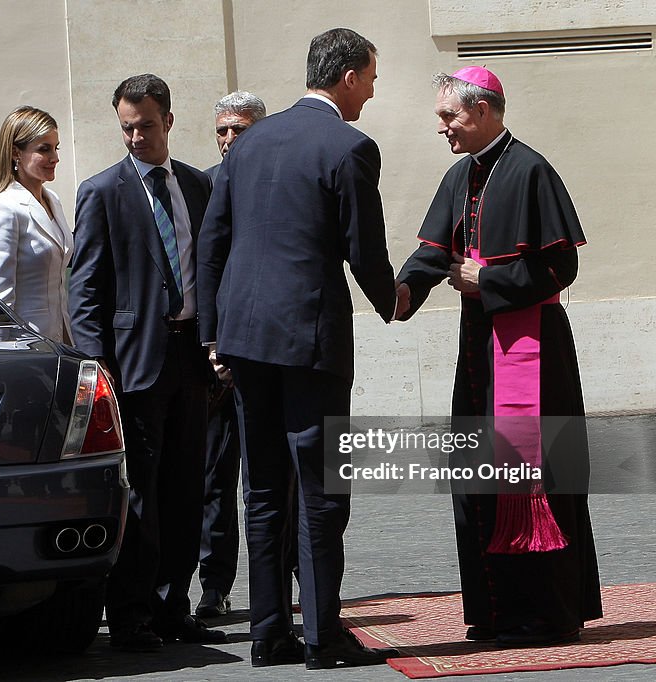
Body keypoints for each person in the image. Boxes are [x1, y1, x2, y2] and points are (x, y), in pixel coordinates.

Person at [198, 28, 406, 669]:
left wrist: (213, 333)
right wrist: (393, 298)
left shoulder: (249, 140)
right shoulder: (348, 145)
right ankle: (321, 638)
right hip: (309, 339)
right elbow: (363, 244)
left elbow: (212, 240)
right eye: (371, 77)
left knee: (262, 487)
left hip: (244, 338)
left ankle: (267, 635)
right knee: (320, 490)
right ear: (347, 77)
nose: (372, 90)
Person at [395, 66, 603, 647]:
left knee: (543, 477)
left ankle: (550, 614)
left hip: (535, 353)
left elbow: (561, 267)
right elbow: (432, 251)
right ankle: (492, 611)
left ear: (483, 110)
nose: (442, 127)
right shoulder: (460, 176)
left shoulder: (532, 169)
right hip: (478, 353)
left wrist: (491, 279)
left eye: (449, 116)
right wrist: (406, 289)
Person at [69, 74, 224, 652]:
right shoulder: (102, 192)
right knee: (141, 496)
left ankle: (173, 606)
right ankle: (132, 613)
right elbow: (83, 290)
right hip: (134, 366)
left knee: (188, 489)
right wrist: (97, 368)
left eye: (146, 126)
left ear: (169, 121)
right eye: (127, 128)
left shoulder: (197, 185)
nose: (136, 137)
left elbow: (212, 267)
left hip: (192, 358)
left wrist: (218, 344)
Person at [195, 90, 267, 620]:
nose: (227, 140)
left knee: (272, 476)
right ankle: (214, 587)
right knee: (216, 479)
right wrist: (212, 344)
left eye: (238, 129)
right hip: (219, 359)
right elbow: (205, 268)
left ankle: (287, 578)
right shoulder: (202, 185)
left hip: (268, 353)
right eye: (221, 130)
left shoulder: (277, 180)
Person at [0, 106, 73, 343]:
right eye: (44, 149)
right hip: (26, 343)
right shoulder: (5, 208)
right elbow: (0, 298)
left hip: (63, 337)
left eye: (56, 147)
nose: (55, 158)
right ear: (15, 153)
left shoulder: (53, 200)